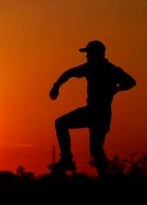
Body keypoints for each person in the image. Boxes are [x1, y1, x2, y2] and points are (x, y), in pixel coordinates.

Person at [48, 40, 136, 177]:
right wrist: (117, 89)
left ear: (96, 54)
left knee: (61, 123)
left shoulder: (97, 68)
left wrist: (56, 86)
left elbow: (70, 73)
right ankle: (104, 178)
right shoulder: (110, 69)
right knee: (96, 151)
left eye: (88, 53)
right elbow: (131, 82)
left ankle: (66, 160)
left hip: (94, 112)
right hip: (104, 115)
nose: (86, 56)